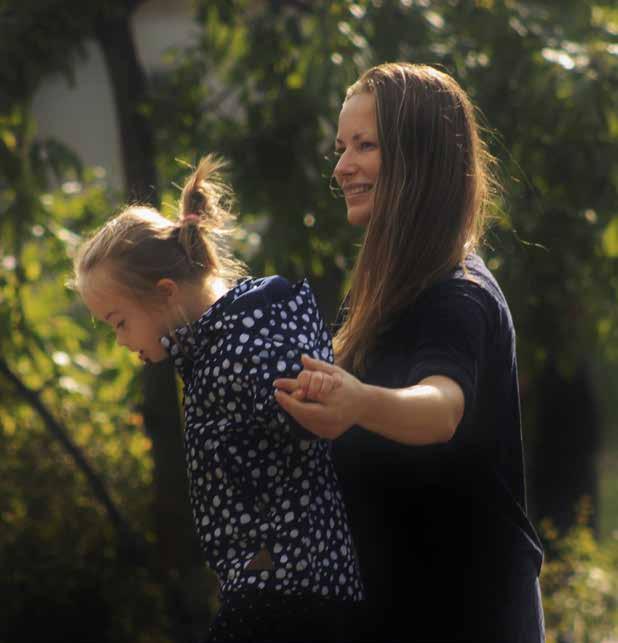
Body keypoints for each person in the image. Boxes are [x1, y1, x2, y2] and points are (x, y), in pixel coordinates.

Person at [274, 62, 545, 643]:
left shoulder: (458, 293)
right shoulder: (388, 293)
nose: (343, 167)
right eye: (342, 147)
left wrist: (357, 402)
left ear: (419, 155)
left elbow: (441, 407)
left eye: (364, 145)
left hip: (467, 612)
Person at [68, 155, 364, 642]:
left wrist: (315, 395)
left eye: (119, 321)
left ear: (165, 293)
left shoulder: (239, 346)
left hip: (288, 592)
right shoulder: (215, 346)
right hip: (285, 585)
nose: (119, 339)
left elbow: (313, 410)